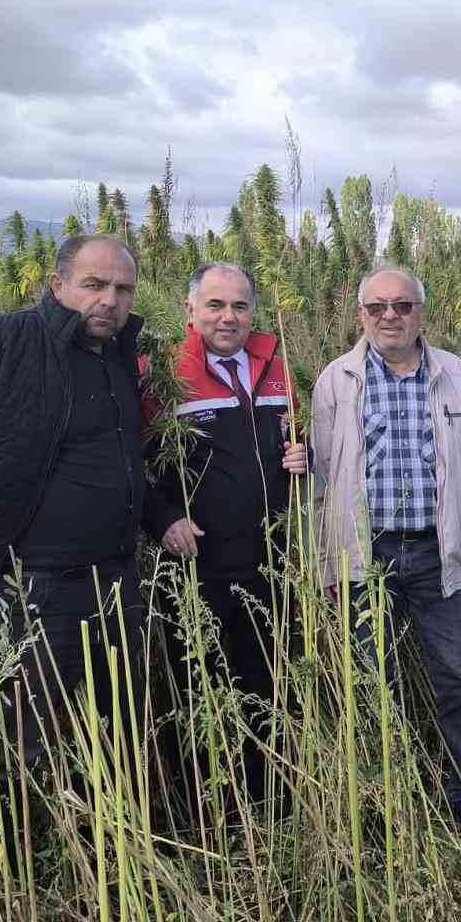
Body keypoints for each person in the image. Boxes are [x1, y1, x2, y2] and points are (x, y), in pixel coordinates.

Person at [0, 234, 162, 780]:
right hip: (34, 587)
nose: (110, 301)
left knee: (118, 736)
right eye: (93, 285)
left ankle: (108, 853)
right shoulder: (8, 341)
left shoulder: (119, 356)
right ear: (57, 284)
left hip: (117, 583)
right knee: (15, 742)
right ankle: (2, 853)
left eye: (123, 289)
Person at [309, 265, 461, 842]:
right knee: (373, 680)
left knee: (456, 677)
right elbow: (321, 479)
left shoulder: (454, 375)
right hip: (363, 555)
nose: (390, 316)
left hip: (436, 551)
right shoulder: (336, 380)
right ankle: (385, 797)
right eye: (377, 307)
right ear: (360, 315)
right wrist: (326, 560)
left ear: (422, 312)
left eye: (402, 306)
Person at [145, 262, 308, 807]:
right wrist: (162, 516)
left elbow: (292, 444)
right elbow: (129, 464)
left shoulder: (277, 371)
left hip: (270, 562)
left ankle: (271, 806)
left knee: (268, 686)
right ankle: (207, 811)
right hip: (196, 565)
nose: (228, 317)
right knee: (201, 688)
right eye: (215, 305)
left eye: (239, 305)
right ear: (190, 311)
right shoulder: (161, 375)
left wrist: (302, 454)